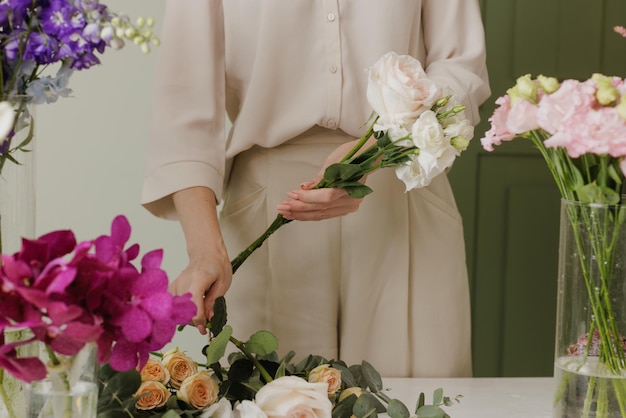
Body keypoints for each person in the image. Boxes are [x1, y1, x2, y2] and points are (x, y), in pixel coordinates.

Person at [141, 0, 490, 377]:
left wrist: (371, 153)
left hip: (401, 177)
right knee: (269, 394)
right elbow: (184, 107)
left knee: (413, 391)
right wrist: (205, 253)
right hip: (268, 203)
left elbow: (460, 67)